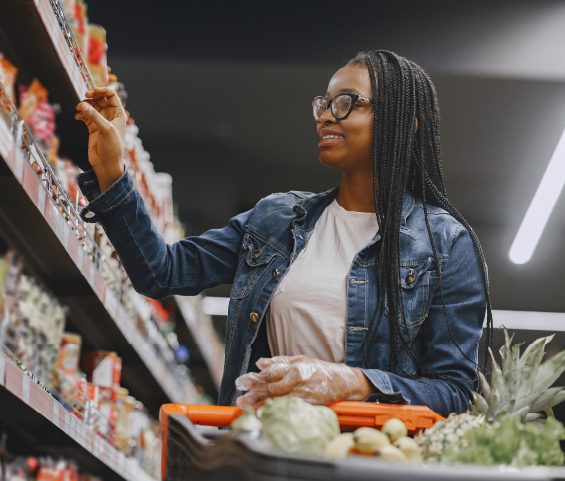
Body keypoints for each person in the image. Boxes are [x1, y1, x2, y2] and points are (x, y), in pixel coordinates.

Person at [74, 50, 492, 417]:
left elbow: (455, 392)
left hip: (367, 460)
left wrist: (355, 383)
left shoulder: (444, 245)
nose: (327, 115)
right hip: (264, 451)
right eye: (324, 103)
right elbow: (161, 271)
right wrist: (111, 168)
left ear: (405, 124)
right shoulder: (276, 219)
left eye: (347, 103)